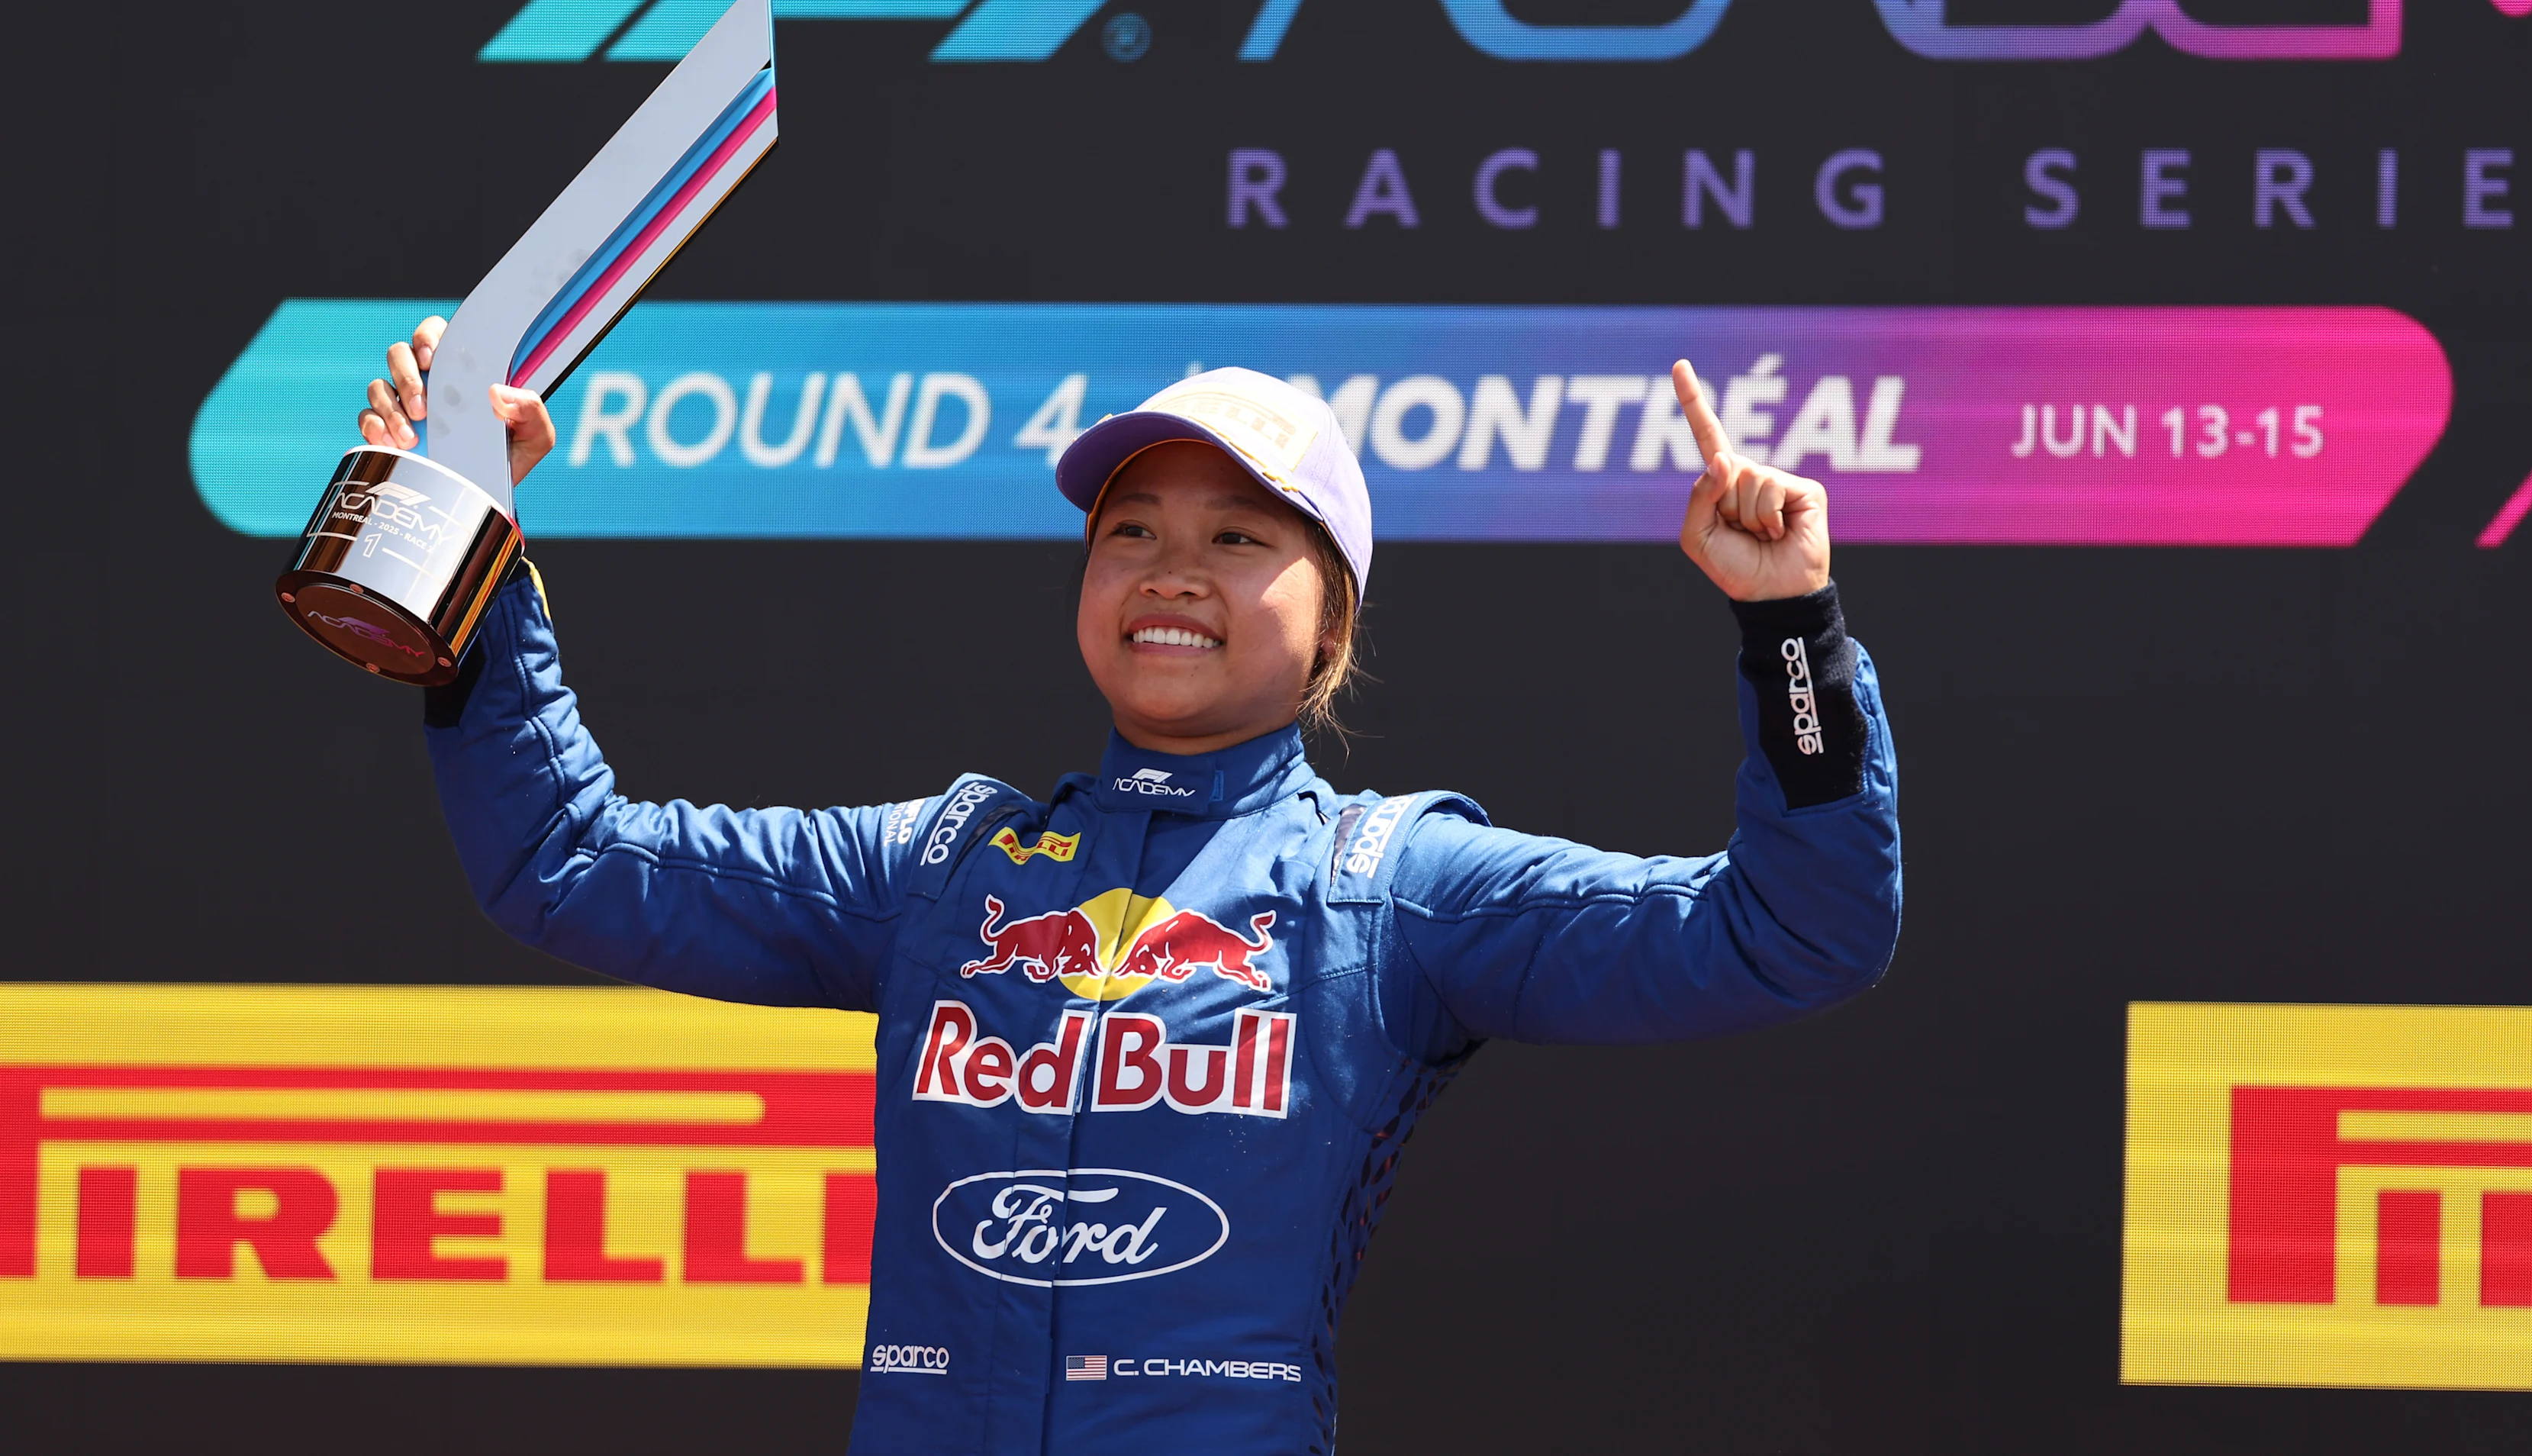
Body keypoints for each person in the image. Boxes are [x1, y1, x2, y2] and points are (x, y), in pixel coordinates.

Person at [357, 320, 1903, 1456]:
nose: (1172, 568)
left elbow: (1790, 936)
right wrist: (465, 557)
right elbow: (564, 861)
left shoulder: (1392, 891)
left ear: (1334, 623)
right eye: (1129, 532)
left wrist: (1791, 631)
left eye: (1238, 537)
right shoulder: (937, 870)